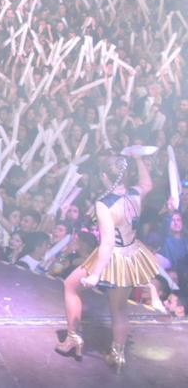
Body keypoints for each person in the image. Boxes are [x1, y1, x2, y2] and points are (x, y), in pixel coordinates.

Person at [55, 150, 159, 370]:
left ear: (104, 176)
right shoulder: (134, 194)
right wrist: (139, 158)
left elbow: (108, 244)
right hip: (131, 254)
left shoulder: (105, 204)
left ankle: (73, 338)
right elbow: (147, 184)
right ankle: (117, 355)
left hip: (113, 256)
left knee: (70, 286)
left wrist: (95, 275)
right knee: (119, 309)